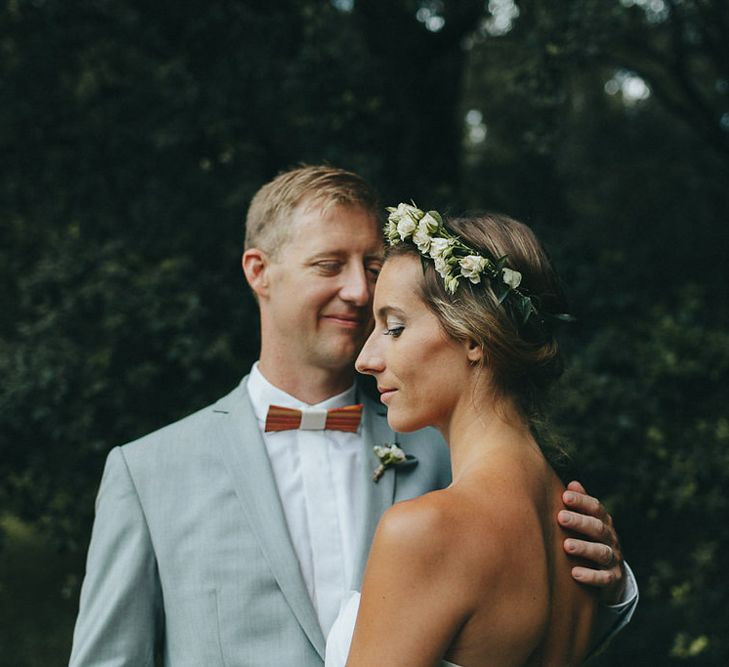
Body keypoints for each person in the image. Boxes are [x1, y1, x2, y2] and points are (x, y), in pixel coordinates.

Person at [70, 166, 636, 667]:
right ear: (258, 271)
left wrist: (610, 579)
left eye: (371, 265)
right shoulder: (147, 473)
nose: (358, 289)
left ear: (474, 333)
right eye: (328, 265)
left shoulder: (444, 451)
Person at [325, 203, 625, 667]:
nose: (366, 360)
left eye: (395, 328)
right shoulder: (582, 538)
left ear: (474, 337)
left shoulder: (424, 532)